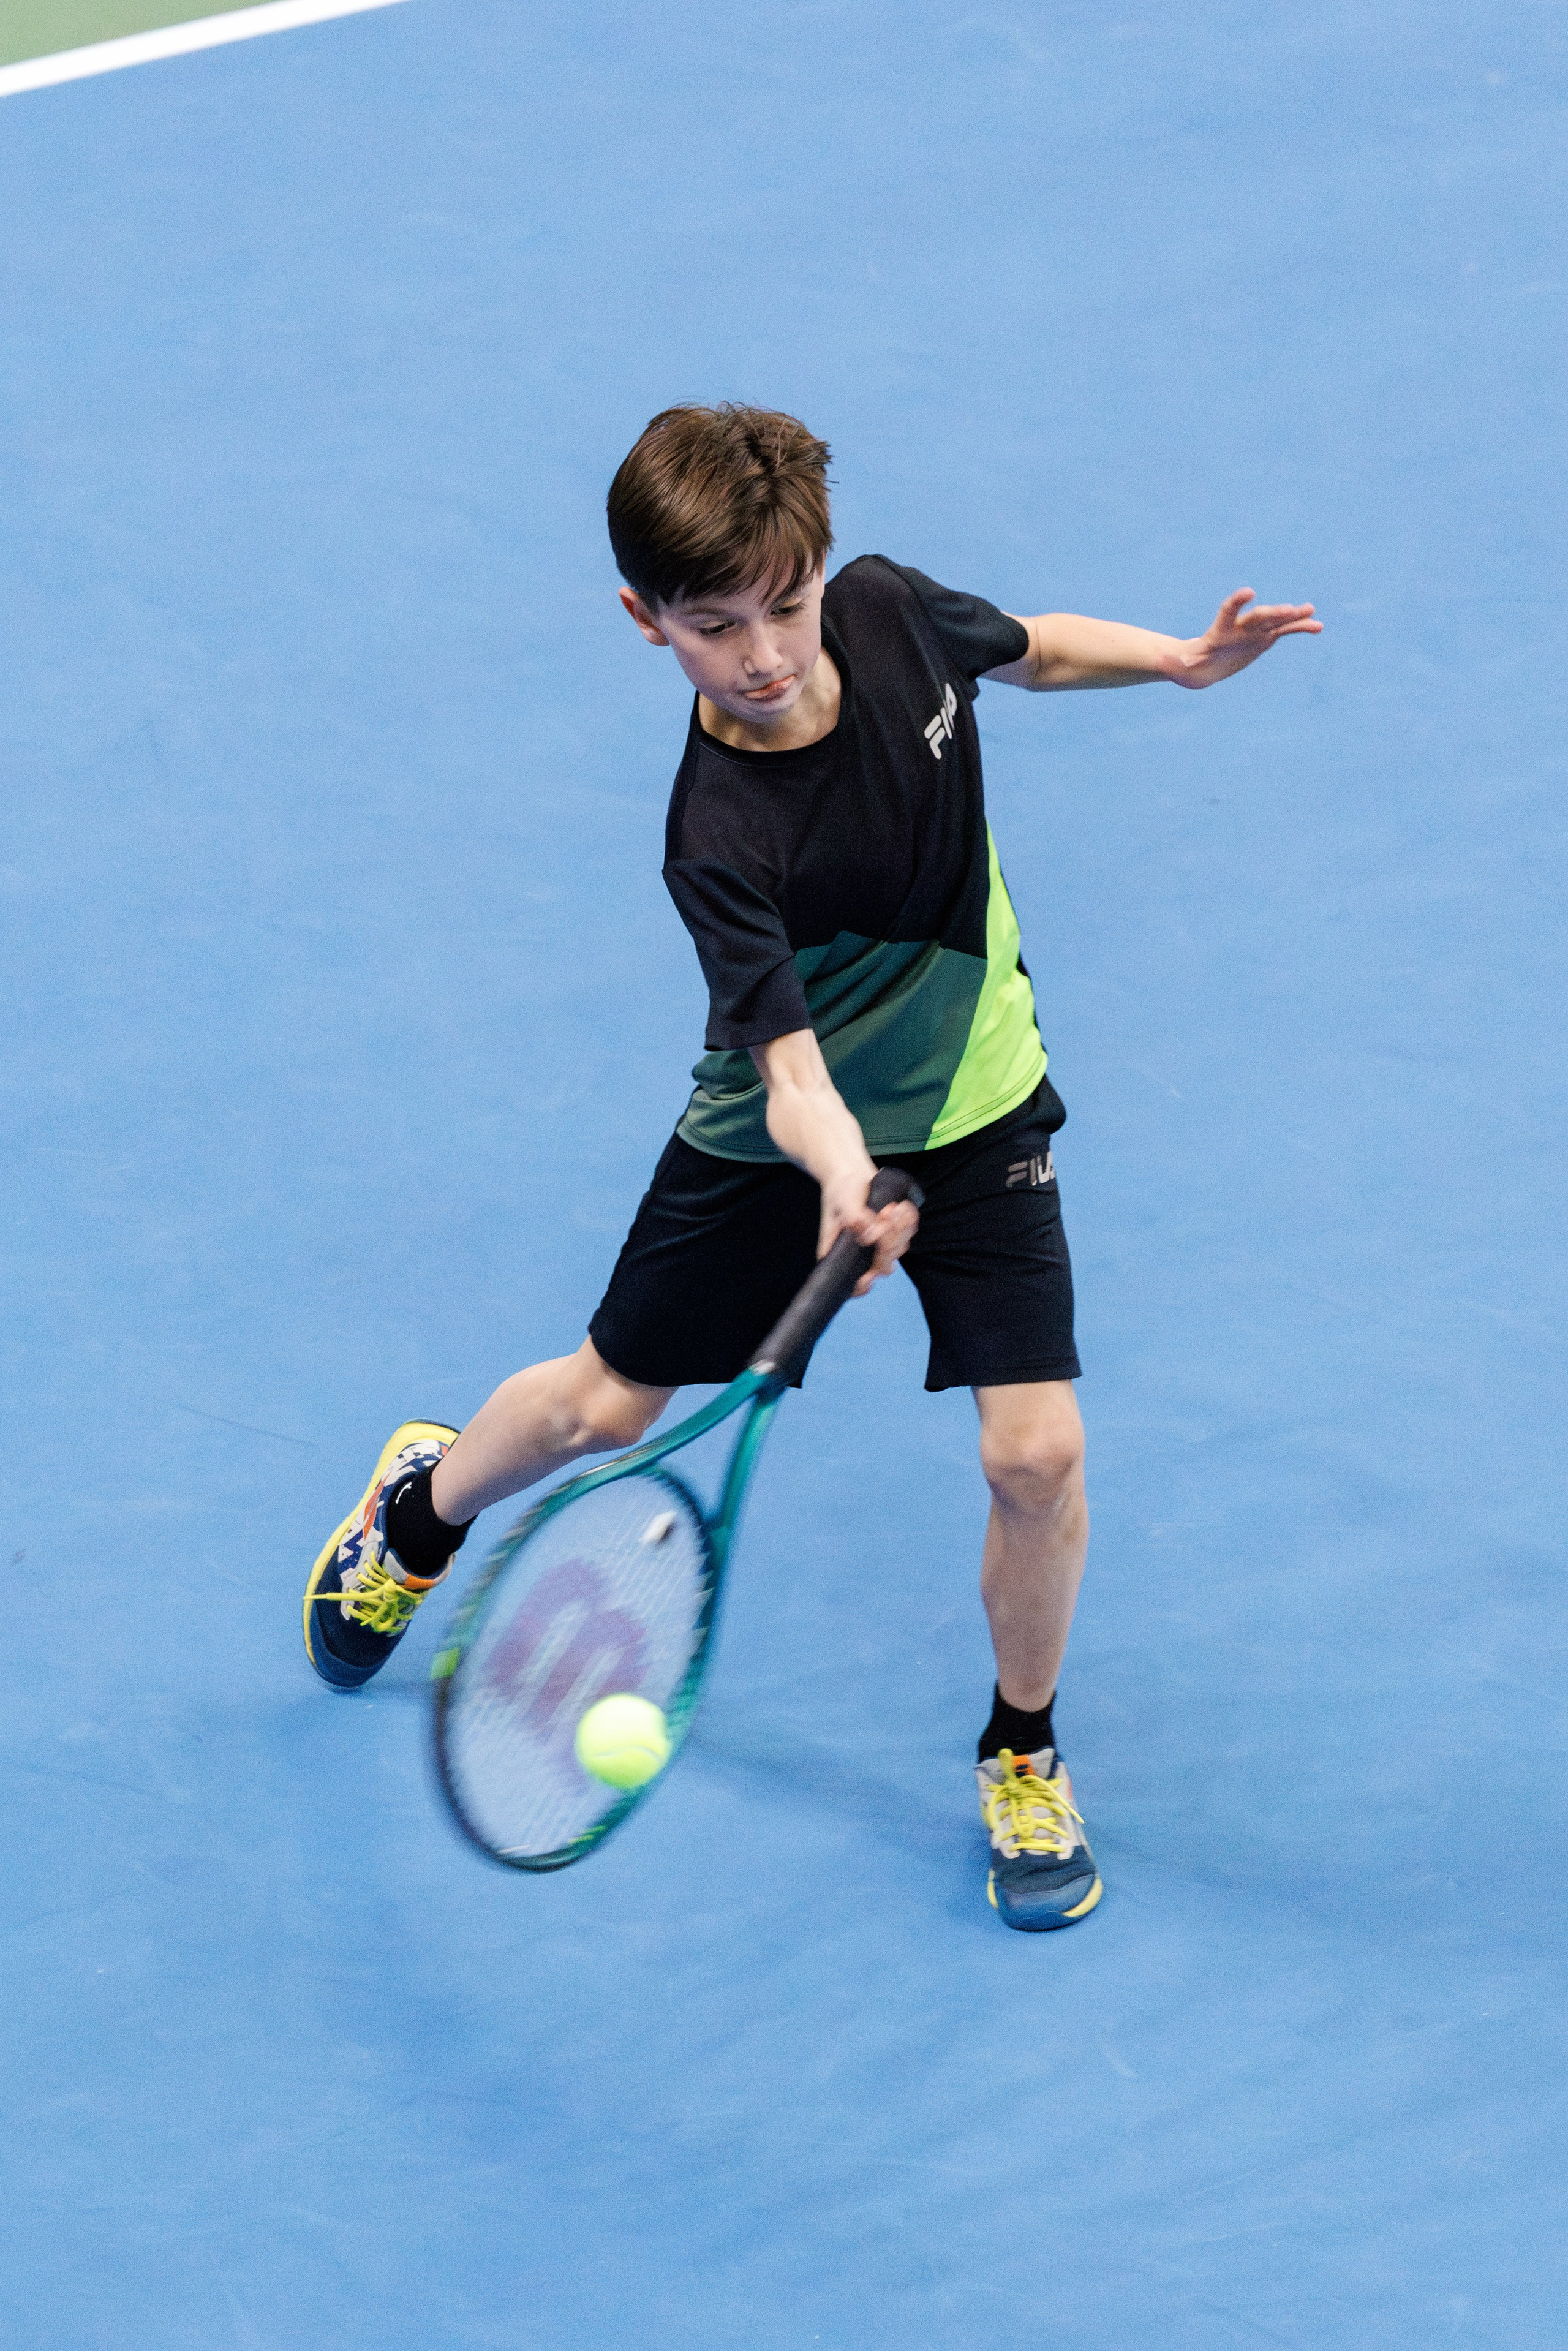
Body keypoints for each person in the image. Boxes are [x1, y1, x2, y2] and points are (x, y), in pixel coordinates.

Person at [302, 404, 1319, 1930]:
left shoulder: (895, 614)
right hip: (782, 1134)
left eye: (784, 604)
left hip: (977, 1099)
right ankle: (416, 1513)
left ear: (821, 569)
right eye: (715, 627)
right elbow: (785, 1074)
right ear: (647, 622)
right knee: (603, 1404)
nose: (764, 652)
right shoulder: (716, 832)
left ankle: (1021, 1748)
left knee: (1034, 1456)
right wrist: (844, 1178)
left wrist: (1172, 659)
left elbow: (1027, 644)